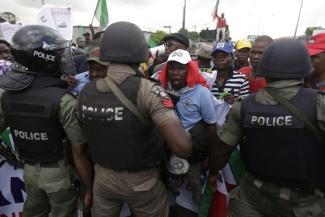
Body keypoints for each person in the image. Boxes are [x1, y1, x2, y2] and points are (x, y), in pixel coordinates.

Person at [77, 21, 192, 217]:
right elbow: (182, 147)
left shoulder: (86, 91)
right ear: (140, 51)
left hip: (103, 180)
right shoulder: (148, 89)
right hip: (142, 183)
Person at [209, 38, 325, 217]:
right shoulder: (319, 103)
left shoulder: (244, 106)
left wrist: (213, 173)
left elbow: (221, 150)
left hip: (253, 198)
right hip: (306, 203)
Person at [0, 25, 93, 217]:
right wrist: (90, 188)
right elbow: (80, 151)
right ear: (44, 58)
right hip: (58, 172)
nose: (62, 58)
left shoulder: (6, 97)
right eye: (58, 54)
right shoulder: (64, 100)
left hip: (28, 170)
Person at [158, 49, 217, 206]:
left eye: (180, 68)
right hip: (169, 149)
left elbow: (211, 125)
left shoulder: (202, 93)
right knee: (168, 184)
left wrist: (210, 155)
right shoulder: (161, 91)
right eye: (172, 68)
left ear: (189, 70)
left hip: (193, 150)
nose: (175, 72)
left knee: (195, 183)